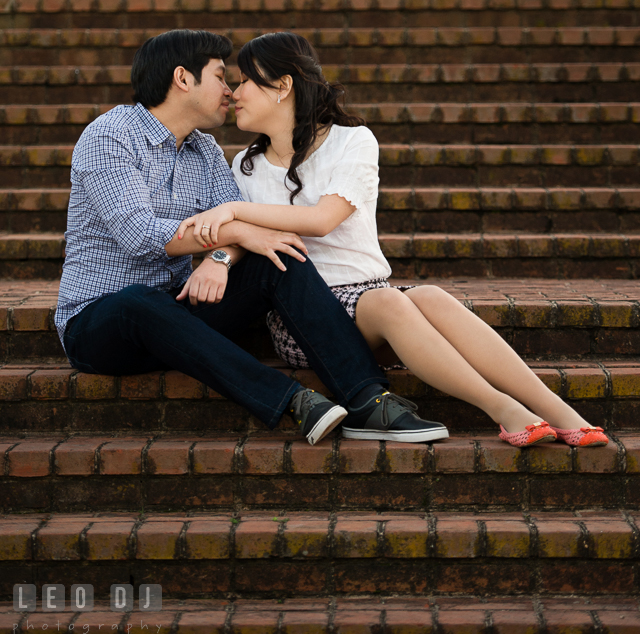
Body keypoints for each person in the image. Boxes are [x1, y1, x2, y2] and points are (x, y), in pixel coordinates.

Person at [177, 32, 608, 449]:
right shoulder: (246, 166)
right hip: (303, 320)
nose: (235, 92)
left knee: (432, 297)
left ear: (283, 86)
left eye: (247, 80)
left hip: (371, 301)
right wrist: (220, 255)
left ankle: (558, 410)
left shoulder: (352, 141)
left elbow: (323, 219)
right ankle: (504, 409)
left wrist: (232, 211)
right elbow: (242, 240)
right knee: (390, 302)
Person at [55, 28, 449, 447]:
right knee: (137, 301)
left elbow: (249, 235)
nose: (230, 91)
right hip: (100, 324)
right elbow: (141, 235)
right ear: (183, 79)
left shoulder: (204, 150)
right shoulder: (109, 136)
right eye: (221, 77)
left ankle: (368, 400)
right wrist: (240, 230)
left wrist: (220, 259)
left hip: (177, 310)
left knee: (277, 256)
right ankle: (295, 401)